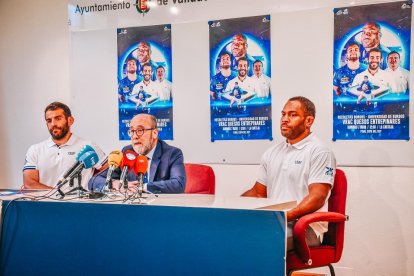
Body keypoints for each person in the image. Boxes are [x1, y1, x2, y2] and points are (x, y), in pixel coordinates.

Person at [242, 96, 336, 251]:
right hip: (275, 221)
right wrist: (231, 208)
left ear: (308, 121)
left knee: (257, 242)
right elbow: (258, 193)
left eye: (292, 115)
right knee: (232, 234)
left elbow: (318, 197)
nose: (284, 119)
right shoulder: (272, 152)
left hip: (304, 227)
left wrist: (284, 215)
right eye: (283, 114)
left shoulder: (320, 151)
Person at [89, 114, 186, 194]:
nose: (134, 136)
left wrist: (142, 187)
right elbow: (94, 181)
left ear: (154, 133)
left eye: (140, 130)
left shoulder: (172, 153)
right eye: (132, 131)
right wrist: (115, 184)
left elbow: (178, 184)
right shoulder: (127, 152)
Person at [23, 102, 106, 191]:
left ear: (70, 120)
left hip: (79, 204)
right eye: (49, 120)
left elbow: (110, 173)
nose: (53, 124)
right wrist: (56, 195)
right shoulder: (35, 150)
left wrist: (96, 188)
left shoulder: (88, 146)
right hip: (44, 203)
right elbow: (29, 184)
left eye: (58, 119)